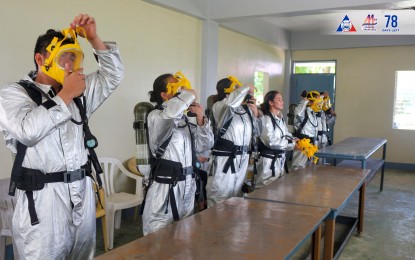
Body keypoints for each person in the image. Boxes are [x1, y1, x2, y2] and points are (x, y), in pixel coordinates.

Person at [0, 14, 124, 259]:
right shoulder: (13, 94)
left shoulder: (77, 94)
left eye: (73, 58)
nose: (69, 64)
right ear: (40, 58)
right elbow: (27, 132)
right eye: (63, 57)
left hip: (82, 194)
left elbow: (113, 76)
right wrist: (65, 96)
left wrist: (94, 38)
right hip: (43, 201)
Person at [141, 72, 213, 235]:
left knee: (183, 235)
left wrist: (201, 120)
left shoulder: (184, 122)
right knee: (158, 235)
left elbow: (205, 144)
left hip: (187, 185)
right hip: (166, 187)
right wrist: (190, 94)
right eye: (178, 89)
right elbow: (170, 113)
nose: (183, 93)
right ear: (164, 95)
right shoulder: (157, 116)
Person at [206, 76, 261, 207]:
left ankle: (232, 226)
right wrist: (246, 87)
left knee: (236, 196)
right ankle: (215, 224)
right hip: (225, 158)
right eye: (237, 87)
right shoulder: (220, 106)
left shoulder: (245, 109)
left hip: (242, 157)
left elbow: (257, 132)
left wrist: (255, 114)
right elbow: (231, 103)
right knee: (220, 194)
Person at [256, 91, 296, 187]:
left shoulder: (279, 119)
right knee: (264, 188)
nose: (282, 102)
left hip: (280, 159)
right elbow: (270, 141)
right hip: (268, 160)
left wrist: (296, 140)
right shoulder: (266, 119)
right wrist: (291, 143)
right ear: (270, 102)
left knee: (277, 189)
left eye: (282, 100)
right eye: (279, 99)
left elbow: (285, 134)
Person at [291, 90, 322, 168]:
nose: (319, 104)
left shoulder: (313, 113)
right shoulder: (303, 112)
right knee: (298, 167)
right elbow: (297, 113)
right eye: (317, 101)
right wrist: (305, 100)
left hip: (311, 144)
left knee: (308, 169)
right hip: (302, 143)